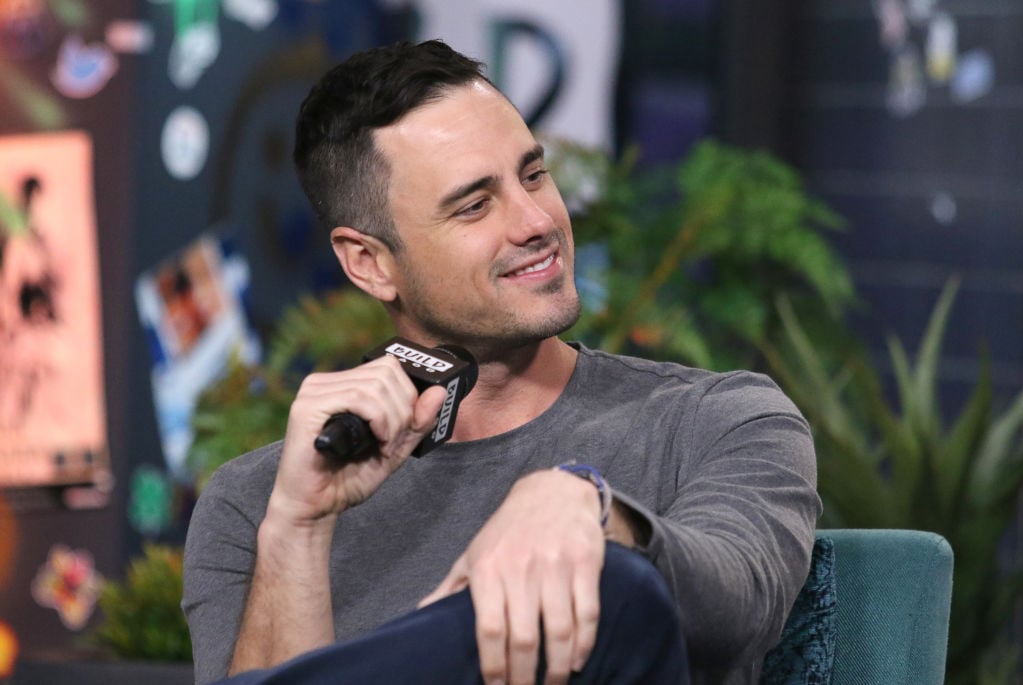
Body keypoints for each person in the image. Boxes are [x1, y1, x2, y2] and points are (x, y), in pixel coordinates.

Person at [182, 39, 821, 685]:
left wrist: (589, 507)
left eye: (534, 174)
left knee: (615, 587)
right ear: (369, 263)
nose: (537, 220)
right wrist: (299, 525)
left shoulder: (718, 419)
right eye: (474, 205)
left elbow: (740, 609)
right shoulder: (255, 504)